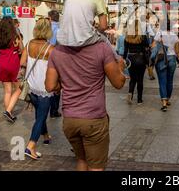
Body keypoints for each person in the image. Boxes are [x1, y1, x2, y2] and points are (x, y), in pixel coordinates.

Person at [45, 38, 126, 171]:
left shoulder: (57, 51)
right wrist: (120, 68)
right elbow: (118, 83)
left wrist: (65, 82)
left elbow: (50, 86)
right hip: (94, 119)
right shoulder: (101, 48)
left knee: (82, 160)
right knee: (96, 167)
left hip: (70, 119)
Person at [20, 18, 55, 160]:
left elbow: (22, 64)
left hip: (31, 87)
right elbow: (56, 70)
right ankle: (30, 146)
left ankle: (46, 136)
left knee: (40, 114)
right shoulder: (50, 49)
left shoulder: (28, 45)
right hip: (44, 88)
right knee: (41, 117)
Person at [0, 17, 23, 123]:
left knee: (7, 91)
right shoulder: (15, 36)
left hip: (2, 62)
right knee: (19, 88)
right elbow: (21, 49)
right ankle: (8, 111)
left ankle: (9, 113)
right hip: (13, 62)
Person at [154, 25, 179, 112]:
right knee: (170, 80)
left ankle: (164, 103)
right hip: (172, 59)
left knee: (162, 81)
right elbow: (177, 51)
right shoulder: (174, 36)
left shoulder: (159, 33)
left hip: (161, 59)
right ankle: (167, 99)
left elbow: (154, 46)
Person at [124, 22, 149, 105]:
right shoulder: (142, 37)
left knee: (132, 79)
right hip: (140, 59)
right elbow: (147, 47)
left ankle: (130, 93)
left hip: (131, 59)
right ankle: (139, 99)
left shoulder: (127, 37)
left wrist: (124, 60)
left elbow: (125, 51)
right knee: (140, 80)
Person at [48, 10, 62, 118]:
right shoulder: (60, 30)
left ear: (50, 18)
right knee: (57, 86)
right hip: (57, 59)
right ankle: (54, 110)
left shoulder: (46, 29)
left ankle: (47, 105)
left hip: (45, 58)